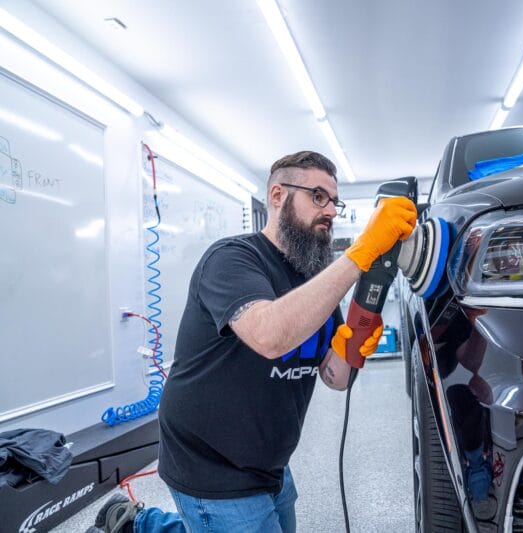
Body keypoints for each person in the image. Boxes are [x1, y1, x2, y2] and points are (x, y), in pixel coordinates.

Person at [88, 150, 417, 533]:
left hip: (270, 461)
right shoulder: (231, 260)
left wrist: (358, 335)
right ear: (277, 195)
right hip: (211, 462)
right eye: (318, 196)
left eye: (334, 201)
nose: (330, 210)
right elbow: (270, 335)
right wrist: (361, 254)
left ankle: (135, 524)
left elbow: (334, 377)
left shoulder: (315, 275)